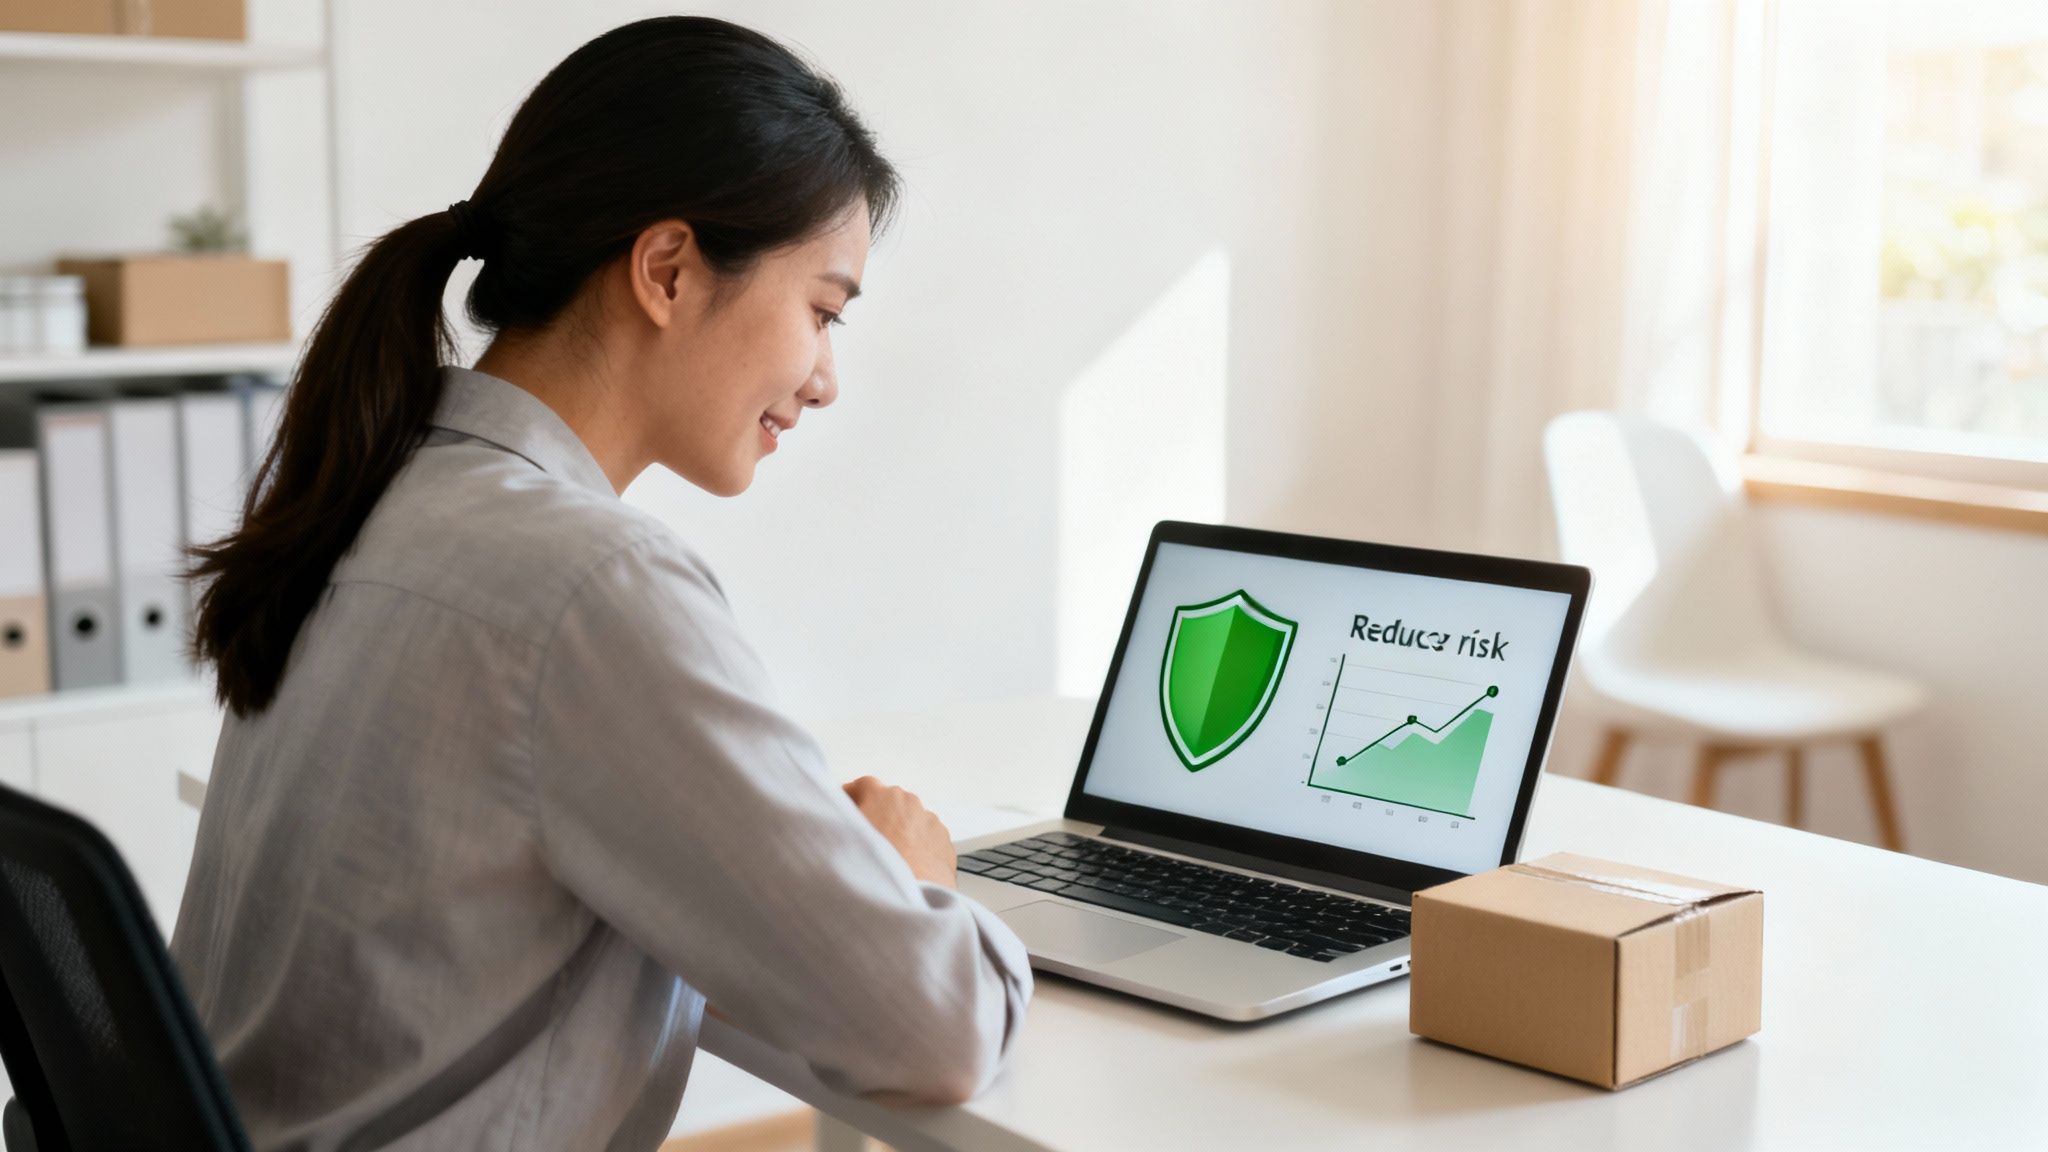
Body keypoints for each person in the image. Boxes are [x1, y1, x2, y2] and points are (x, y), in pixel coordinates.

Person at [169, 16, 1032, 1150]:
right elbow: (934, 1027)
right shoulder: (587, 583)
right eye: (821, 312)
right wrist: (917, 882)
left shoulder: (375, 491)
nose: (825, 380)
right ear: (667, 270)